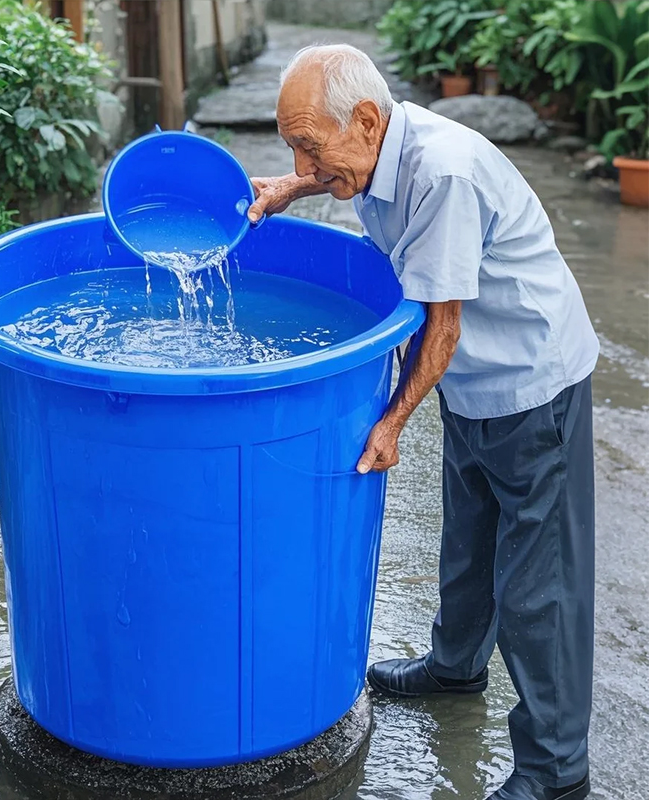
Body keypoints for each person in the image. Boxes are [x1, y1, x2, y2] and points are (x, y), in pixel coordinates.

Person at [248, 45, 599, 800]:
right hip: (473, 386)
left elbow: (442, 332)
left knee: (540, 588)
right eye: (292, 148)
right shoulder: (373, 155)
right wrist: (291, 187)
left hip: (532, 380)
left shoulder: (443, 173)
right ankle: (454, 667)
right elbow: (339, 169)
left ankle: (555, 768)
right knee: (467, 543)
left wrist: (391, 421)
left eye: (308, 146)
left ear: (366, 120)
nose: (305, 161)